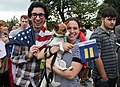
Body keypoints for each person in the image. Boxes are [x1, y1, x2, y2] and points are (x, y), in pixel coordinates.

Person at [6, 2, 54, 87]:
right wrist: (28, 55)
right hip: (21, 82)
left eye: (41, 15)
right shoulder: (21, 36)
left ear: (45, 17)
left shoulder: (50, 37)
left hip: (41, 81)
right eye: (34, 14)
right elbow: (13, 59)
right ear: (30, 17)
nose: (38, 18)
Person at [43, 17, 83, 87]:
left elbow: (71, 75)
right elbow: (42, 54)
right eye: (69, 28)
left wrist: (51, 66)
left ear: (79, 30)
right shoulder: (56, 40)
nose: (71, 31)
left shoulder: (81, 47)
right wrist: (59, 47)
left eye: (75, 28)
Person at [90, 7, 118, 87]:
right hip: (102, 78)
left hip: (113, 75)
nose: (112, 22)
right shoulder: (96, 35)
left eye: (114, 20)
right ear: (102, 19)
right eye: (109, 19)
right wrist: (104, 77)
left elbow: (114, 54)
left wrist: (116, 73)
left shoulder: (112, 34)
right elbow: (96, 57)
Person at [0, 20, 10, 87]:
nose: (6, 27)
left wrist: (7, 42)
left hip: (5, 61)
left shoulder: (5, 37)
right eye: (4, 26)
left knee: (7, 81)